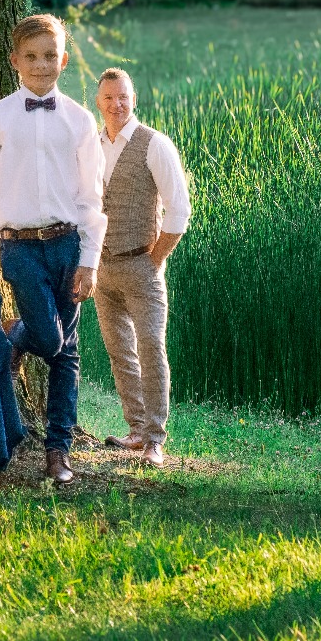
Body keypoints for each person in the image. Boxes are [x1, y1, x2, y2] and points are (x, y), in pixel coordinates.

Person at [0, 13, 107, 485]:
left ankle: (58, 451)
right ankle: (18, 337)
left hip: (68, 242)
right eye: (31, 57)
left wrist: (90, 259)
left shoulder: (80, 120)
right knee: (51, 339)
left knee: (67, 352)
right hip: (18, 248)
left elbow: (91, 198)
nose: (41, 65)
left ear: (64, 60)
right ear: (14, 62)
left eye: (50, 56)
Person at [92, 68, 191, 469]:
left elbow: (179, 211)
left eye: (124, 97)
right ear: (98, 102)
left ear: (134, 100)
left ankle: (155, 439)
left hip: (141, 266)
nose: (117, 104)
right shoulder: (93, 144)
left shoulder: (154, 144)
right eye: (109, 98)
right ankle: (135, 429)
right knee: (119, 351)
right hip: (102, 268)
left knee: (151, 348)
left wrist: (155, 259)